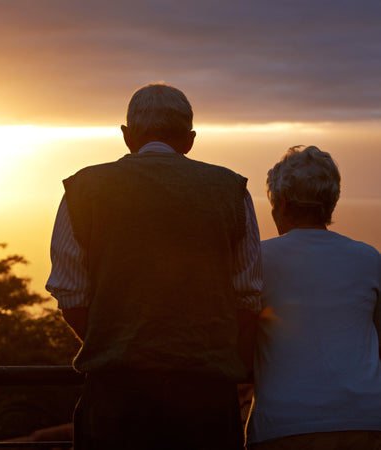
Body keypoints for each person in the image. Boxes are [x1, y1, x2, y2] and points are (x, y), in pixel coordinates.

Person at [46, 82, 262, 449]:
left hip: (116, 397)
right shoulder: (231, 190)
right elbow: (247, 297)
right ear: (190, 139)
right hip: (206, 398)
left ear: (127, 136)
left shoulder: (82, 190)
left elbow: (71, 295)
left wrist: (119, 344)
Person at [246, 146, 381, 449]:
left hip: (285, 424)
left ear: (279, 203)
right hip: (366, 421)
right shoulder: (370, 259)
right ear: (331, 202)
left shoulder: (257, 261)